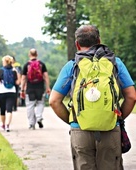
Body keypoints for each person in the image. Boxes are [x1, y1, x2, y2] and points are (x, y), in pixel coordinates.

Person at [49, 25, 136, 170]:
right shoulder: (115, 63)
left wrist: (74, 120)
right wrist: (116, 117)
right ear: (99, 40)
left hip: (80, 130)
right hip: (111, 129)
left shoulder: (72, 66)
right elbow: (132, 97)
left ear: (77, 44)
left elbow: (54, 101)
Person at [20, 48, 51, 130]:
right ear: (36, 55)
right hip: (40, 88)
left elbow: (23, 79)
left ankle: (31, 124)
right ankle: (39, 117)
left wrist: (22, 90)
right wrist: (48, 87)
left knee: (30, 106)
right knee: (40, 103)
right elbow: (46, 77)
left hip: (30, 88)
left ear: (29, 55)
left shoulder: (27, 65)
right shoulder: (41, 64)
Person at [0, 55, 20, 132]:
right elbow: (18, 82)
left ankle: (3, 124)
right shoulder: (14, 70)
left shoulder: (0, 70)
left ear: (4, 62)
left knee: (2, 110)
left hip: (1, 91)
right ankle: (8, 125)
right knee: (9, 109)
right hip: (12, 92)